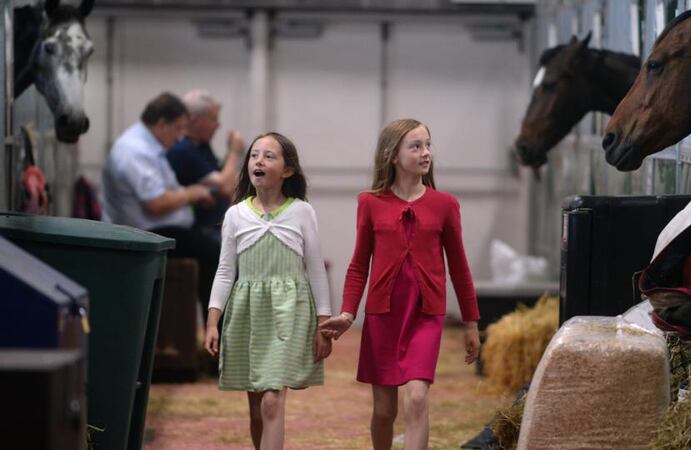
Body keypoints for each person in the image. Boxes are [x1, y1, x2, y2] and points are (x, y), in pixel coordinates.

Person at [320, 118, 481, 450]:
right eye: (416, 146)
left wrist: (471, 322)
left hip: (426, 315)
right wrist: (348, 314)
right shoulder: (369, 203)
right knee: (384, 411)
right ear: (393, 155)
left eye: (428, 145)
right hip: (383, 316)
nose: (426, 153)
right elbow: (358, 265)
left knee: (417, 399)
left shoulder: (445, 204)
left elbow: (460, 269)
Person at [204, 132, 333, 450]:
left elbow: (316, 269)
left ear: (288, 170)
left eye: (269, 156)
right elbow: (225, 271)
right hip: (248, 314)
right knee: (257, 408)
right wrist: (211, 321)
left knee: (272, 402)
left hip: (289, 313)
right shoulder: (235, 214)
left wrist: (323, 323)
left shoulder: (302, 212)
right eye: (253, 155)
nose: (258, 161)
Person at [101, 92, 218, 316]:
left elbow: (167, 191)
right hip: (143, 233)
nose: (181, 136)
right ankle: (215, 333)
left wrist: (192, 194)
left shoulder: (149, 146)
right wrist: (192, 193)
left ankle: (207, 330)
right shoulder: (135, 151)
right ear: (162, 124)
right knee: (214, 253)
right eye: (178, 128)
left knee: (215, 242)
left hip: (159, 227)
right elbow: (155, 203)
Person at [167, 89, 245, 243]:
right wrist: (234, 151)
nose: (218, 125)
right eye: (213, 119)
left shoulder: (201, 145)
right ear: (196, 120)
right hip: (200, 229)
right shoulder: (183, 150)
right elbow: (225, 187)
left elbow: (223, 176)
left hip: (215, 224)